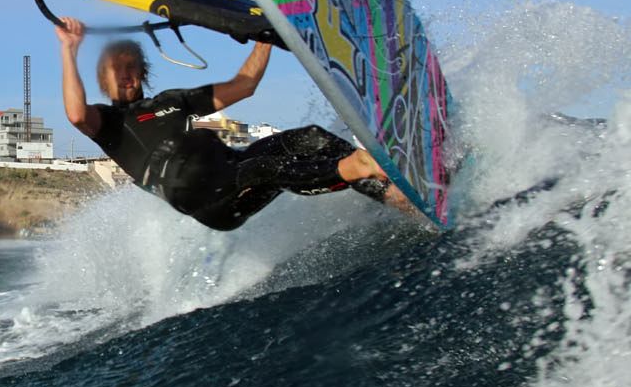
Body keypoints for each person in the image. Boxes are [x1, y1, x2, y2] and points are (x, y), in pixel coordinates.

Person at [56, 17, 408, 231]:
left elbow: (244, 85)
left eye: (131, 65)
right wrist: (69, 50)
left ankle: (392, 193)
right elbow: (75, 114)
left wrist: (264, 40)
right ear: (102, 80)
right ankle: (360, 164)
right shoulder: (109, 122)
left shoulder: (172, 101)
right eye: (115, 69)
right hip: (209, 201)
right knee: (269, 167)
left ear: (142, 71)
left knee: (308, 138)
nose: (125, 73)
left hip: (233, 165)